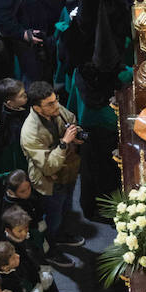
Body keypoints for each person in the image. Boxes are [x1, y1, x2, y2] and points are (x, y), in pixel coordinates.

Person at [19, 81, 85, 260]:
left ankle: (62, 236)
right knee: (52, 219)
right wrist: (64, 143)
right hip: (50, 182)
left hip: (68, 173)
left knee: (66, 208)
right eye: (50, 104)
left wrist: (75, 134)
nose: (56, 105)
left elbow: (71, 120)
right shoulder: (30, 132)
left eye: (56, 100)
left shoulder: (55, 110)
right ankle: (51, 250)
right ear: (37, 108)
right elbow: (48, 167)